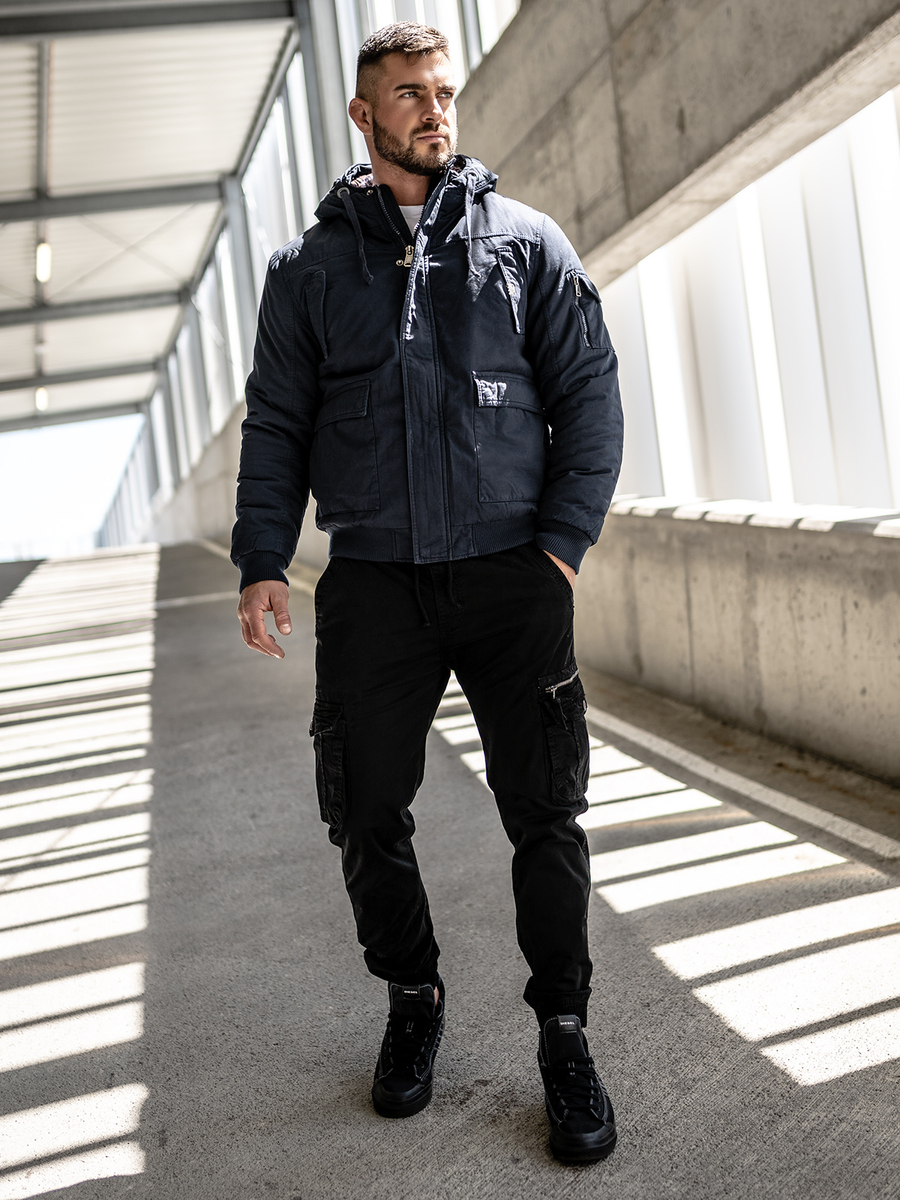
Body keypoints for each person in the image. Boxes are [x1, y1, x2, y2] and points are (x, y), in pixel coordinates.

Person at [232, 21, 623, 1162]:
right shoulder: (307, 272)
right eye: (409, 94)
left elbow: (589, 398)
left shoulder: (528, 243)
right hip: (374, 582)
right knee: (362, 805)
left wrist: (559, 552)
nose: (434, 109)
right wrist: (263, 558)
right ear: (364, 115)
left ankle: (564, 1033)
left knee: (544, 811)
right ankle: (414, 997)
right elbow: (277, 424)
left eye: (443, 91)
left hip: (512, 576)